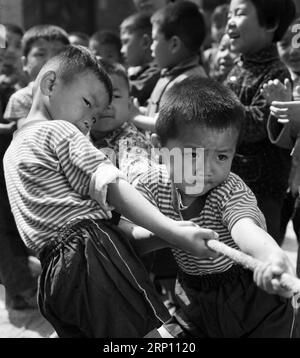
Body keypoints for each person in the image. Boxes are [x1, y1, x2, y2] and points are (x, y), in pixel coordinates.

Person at [3, 45, 218, 338]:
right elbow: (112, 187)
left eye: (93, 118)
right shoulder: (59, 131)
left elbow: (95, 224)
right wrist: (171, 228)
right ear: (50, 84)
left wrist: (166, 235)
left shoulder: (13, 150)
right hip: (93, 259)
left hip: (53, 275)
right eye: (87, 103)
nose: (87, 122)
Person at [131, 76, 298, 337]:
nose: (208, 169)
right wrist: (170, 233)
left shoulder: (229, 190)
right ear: (159, 149)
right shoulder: (151, 185)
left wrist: (273, 259)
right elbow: (130, 238)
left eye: (222, 156)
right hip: (193, 299)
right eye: (194, 154)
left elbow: (247, 229)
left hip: (251, 300)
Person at [224, 0, 296, 243]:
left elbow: (255, 125)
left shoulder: (276, 73)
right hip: (232, 183)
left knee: (259, 261)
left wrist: (217, 102)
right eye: (229, 14)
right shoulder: (238, 67)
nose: (230, 21)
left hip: (261, 193)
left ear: (271, 23)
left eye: (240, 13)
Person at [133, 0, 207, 133]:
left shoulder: (192, 83)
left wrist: (133, 116)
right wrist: (140, 111)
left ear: (174, 44)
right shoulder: (169, 74)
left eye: (155, 40)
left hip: (176, 154)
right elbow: (157, 114)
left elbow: (170, 126)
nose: (151, 47)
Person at [260, 16, 300, 249]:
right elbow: (285, 142)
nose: (293, 51)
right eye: (284, 44)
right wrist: (280, 110)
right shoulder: (282, 82)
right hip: (286, 185)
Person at [90, 60, 154, 185]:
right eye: (96, 96)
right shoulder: (79, 136)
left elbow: (141, 178)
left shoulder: (132, 141)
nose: (106, 104)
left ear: (129, 105)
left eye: (115, 96)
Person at [3, 24, 70, 127]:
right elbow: (27, 134)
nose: (50, 60)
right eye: (40, 54)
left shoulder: (78, 92)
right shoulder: (22, 98)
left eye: (58, 54)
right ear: (25, 63)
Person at [120, 12, 160, 106]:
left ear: (145, 42)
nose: (122, 50)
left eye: (126, 42)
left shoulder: (157, 72)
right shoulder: (136, 71)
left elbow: (134, 91)